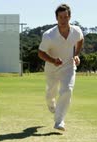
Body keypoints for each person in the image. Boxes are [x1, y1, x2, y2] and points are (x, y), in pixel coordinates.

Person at [37, 4, 84, 132]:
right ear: (56, 18)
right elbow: (40, 53)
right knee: (50, 93)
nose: (63, 20)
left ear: (70, 17)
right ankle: (50, 103)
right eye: (60, 17)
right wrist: (53, 60)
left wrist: (76, 55)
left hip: (69, 66)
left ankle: (59, 121)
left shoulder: (76, 31)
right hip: (52, 68)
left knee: (67, 90)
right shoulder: (49, 35)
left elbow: (80, 40)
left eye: (66, 17)